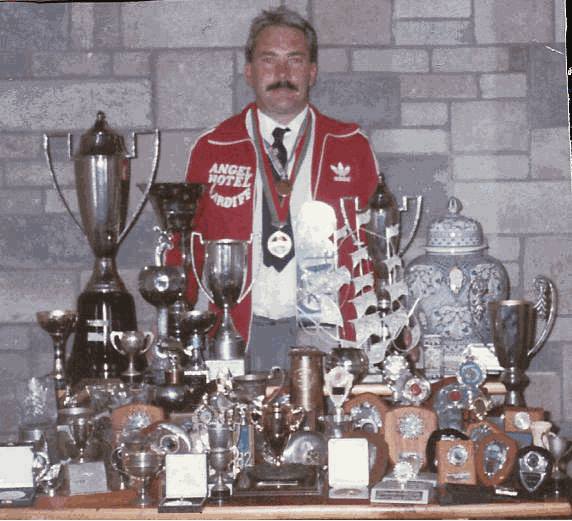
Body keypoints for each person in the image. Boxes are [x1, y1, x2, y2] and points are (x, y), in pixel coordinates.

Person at [172, 6, 379, 371]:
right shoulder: (213, 147)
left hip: (328, 332)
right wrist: (173, 326)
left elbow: (375, 244)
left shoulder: (350, 145)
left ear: (312, 72)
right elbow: (184, 246)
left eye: (294, 60)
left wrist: (383, 328)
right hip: (237, 329)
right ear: (249, 72)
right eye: (269, 60)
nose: (282, 74)